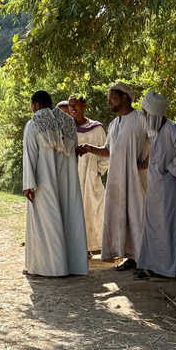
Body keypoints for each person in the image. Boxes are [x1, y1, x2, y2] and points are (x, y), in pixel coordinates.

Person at [79, 82, 148, 271]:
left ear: (125, 97)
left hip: (136, 178)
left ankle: (146, 258)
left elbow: (157, 139)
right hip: (117, 179)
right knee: (122, 217)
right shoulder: (114, 124)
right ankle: (131, 257)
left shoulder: (141, 118)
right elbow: (108, 150)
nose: (109, 102)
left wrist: (148, 160)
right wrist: (89, 148)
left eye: (112, 98)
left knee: (138, 215)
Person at [22, 90, 89, 277]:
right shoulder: (68, 123)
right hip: (67, 181)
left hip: (44, 182)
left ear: (36, 105)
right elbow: (73, 153)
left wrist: (28, 184)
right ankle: (72, 265)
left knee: (46, 223)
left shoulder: (34, 123)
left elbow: (30, 154)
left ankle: (50, 267)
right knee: (69, 219)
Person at [135, 91, 176, 280]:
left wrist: (173, 169)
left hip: (169, 187)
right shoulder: (156, 131)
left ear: (153, 114)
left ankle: (167, 269)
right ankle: (154, 266)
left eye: (146, 113)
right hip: (156, 187)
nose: (144, 116)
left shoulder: (170, 128)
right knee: (155, 226)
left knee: (168, 227)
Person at [68, 95, 109, 255]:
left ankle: (91, 247)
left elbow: (106, 153)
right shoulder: (66, 128)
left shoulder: (96, 129)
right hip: (71, 178)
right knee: (73, 212)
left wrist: (98, 171)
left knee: (93, 210)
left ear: (84, 106)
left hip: (91, 177)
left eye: (76, 105)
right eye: (70, 105)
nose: (73, 108)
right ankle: (75, 249)